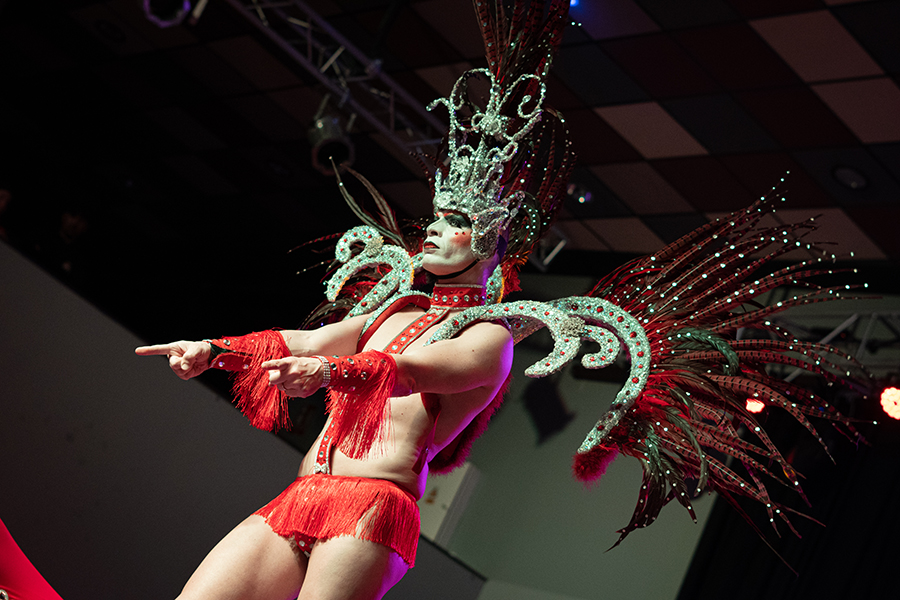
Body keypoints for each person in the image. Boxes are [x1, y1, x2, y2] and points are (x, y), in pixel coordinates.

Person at [135, 211, 515, 600]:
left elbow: (409, 374)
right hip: (304, 495)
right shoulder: (397, 312)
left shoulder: (490, 338)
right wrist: (212, 351)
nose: (434, 229)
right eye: (436, 220)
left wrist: (325, 371)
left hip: (372, 506)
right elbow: (306, 343)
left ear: (489, 245)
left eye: (456, 223)